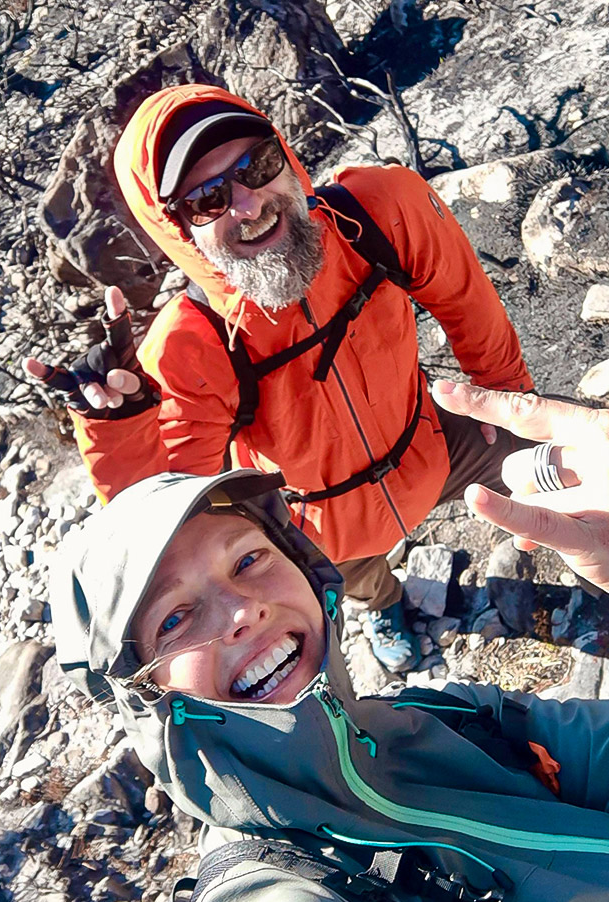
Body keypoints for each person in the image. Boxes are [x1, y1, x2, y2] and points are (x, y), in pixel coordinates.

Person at [27, 83, 537, 673]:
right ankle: (384, 603)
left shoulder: (379, 212)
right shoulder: (191, 345)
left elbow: (466, 303)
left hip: (432, 442)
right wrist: (119, 424)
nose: (250, 204)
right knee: (355, 576)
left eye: (258, 165)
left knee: (553, 458)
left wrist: (504, 395)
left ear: (286, 154)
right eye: (208, 199)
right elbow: (165, 534)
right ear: (176, 230)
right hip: (323, 528)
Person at [51, 468, 609, 902]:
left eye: (249, 559)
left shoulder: (444, 714)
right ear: (143, 694)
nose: (245, 609)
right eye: (174, 619)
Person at [432, 380, 609, 593]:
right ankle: (387, 600)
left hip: (434, 434)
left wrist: (504, 384)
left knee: (532, 479)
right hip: (387, 526)